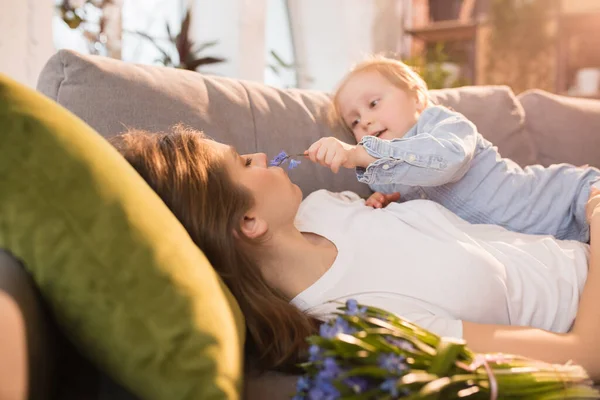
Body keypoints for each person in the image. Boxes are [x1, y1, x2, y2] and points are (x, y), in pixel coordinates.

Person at [110, 125, 600, 381]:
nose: (261, 156)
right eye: (244, 162)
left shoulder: (324, 206)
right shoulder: (364, 322)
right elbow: (584, 356)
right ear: (248, 222)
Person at [304, 56, 600, 242]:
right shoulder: (389, 177)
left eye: (373, 103)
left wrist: (358, 153)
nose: (365, 121)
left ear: (417, 99)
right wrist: (390, 201)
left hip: (569, 197)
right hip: (554, 244)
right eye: (354, 121)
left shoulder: (443, 123)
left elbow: (446, 160)